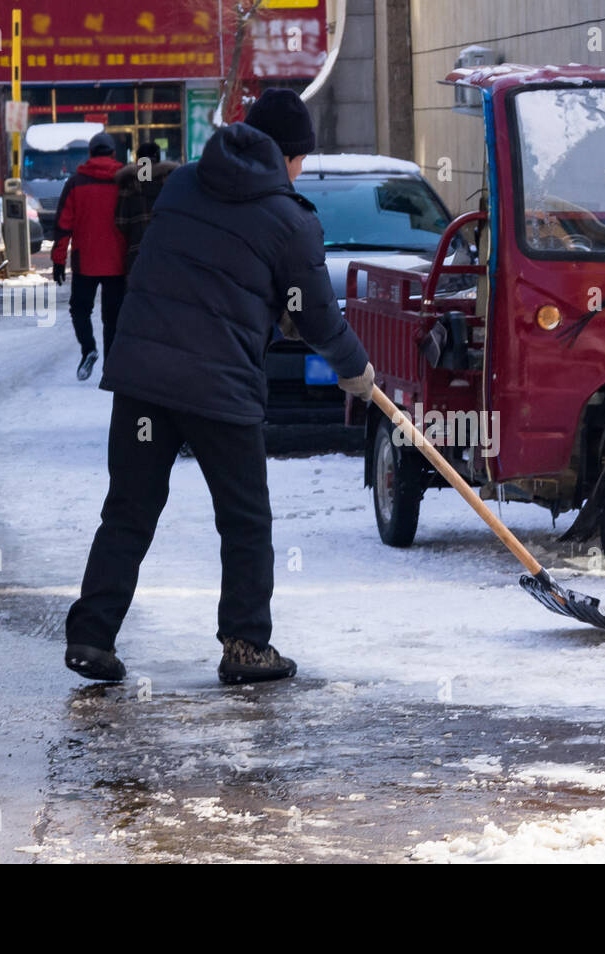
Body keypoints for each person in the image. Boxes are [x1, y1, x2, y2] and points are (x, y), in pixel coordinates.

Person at [64, 88, 376, 685]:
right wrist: (355, 369)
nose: (301, 169)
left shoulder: (181, 185)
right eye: (301, 157)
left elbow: (207, 266)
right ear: (287, 155)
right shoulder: (290, 218)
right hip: (218, 388)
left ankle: (91, 635)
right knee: (244, 520)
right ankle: (246, 647)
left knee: (129, 509)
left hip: (143, 378)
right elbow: (315, 316)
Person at [51, 132, 127, 381]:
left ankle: (89, 349)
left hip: (86, 261)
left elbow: (63, 225)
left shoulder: (75, 183)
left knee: (80, 309)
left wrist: (58, 259)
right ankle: (113, 366)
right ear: (113, 154)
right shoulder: (126, 180)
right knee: (113, 316)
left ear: (91, 154)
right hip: (118, 261)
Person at [114, 141, 179, 273]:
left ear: (138, 160)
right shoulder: (173, 183)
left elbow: (121, 222)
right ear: (159, 158)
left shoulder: (128, 185)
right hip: (168, 251)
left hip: (137, 251)